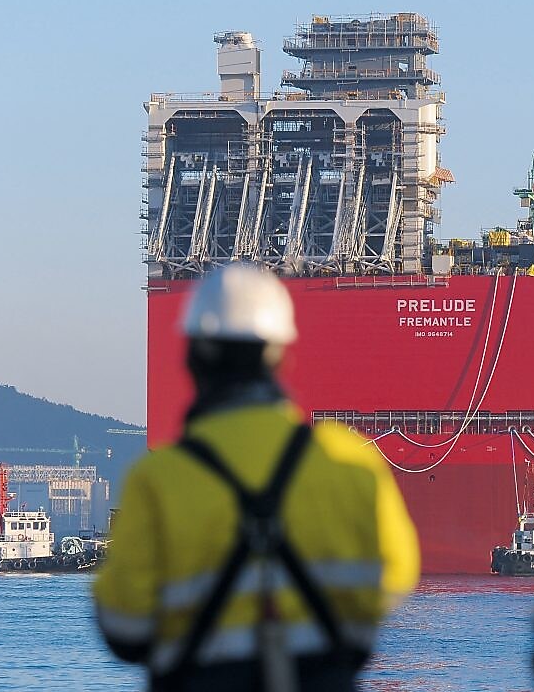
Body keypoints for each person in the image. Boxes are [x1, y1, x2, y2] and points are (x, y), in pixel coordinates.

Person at [94, 263, 420, 692]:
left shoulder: (158, 479)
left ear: (194, 356)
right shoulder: (352, 463)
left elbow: (124, 630)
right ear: (280, 354)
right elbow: (397, 578)